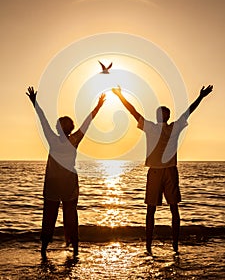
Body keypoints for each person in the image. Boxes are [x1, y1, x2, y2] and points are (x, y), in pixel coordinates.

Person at [112, 85, 213, 254]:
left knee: (173, 208)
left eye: (164, 112)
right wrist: (120, 96)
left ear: (167, 116)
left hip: (169, 171)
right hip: (156, 171)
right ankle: (149, 245)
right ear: (158, 116)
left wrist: (201, 97)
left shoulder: (173, 127)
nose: (162, 114)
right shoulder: (150, 127)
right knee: (151, 209)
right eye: (160, 112)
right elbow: (133, 111)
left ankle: (174, 245)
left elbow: (189, 111)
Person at [26, 86, 105, 258]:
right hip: (66, 184)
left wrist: (35, 103)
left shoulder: (54, 139)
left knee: (52, 217)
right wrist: (98, 106)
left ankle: (46, 250)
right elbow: (87, 122)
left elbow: (43, 120)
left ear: (60, 128)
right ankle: (70, 249)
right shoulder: (73, 139)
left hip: (56, 184)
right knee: (67, 217)